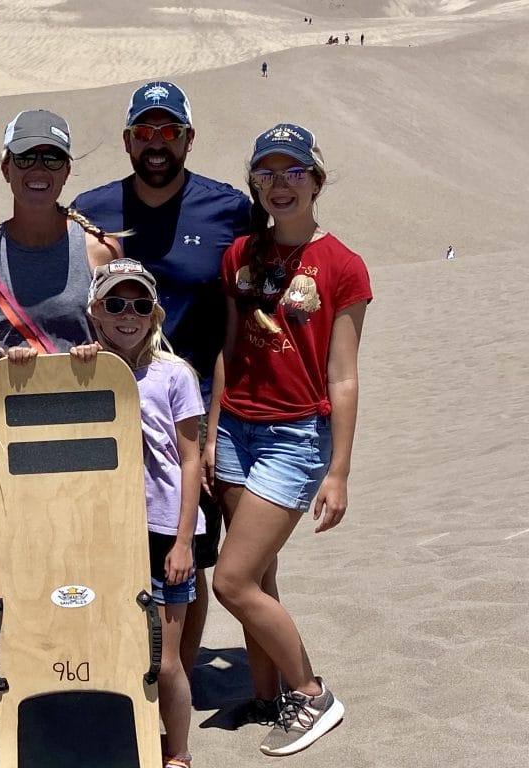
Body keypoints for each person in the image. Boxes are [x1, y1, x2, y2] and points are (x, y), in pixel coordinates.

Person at [72, 80, 251, 695]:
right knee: (108, 547)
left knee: (189, 555)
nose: (156, 144)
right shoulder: (90, 210)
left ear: (188, 139)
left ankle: (176, 674)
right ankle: (117, 669)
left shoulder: (229, 209)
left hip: (191, 413)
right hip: (108, 411)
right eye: (144, 132)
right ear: (127, 141)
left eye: (168, 132)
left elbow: (253, 308)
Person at [204, 124, 372, 755]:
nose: (279, 184)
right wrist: (215, 429)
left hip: (294, 437)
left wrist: (339, 471)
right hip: (237, 432)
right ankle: (268, 694)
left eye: (293, 172)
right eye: (268, 173)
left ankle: (309, 693)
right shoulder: (240, 256)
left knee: (232, 580)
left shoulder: (343, 266)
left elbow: (345, 374)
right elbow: (229, 349)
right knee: (261, 575)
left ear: (316, 180)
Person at [64, 260, 204, 768]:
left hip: (165, 529)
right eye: (116, 304)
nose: (129, 315)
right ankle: (128, 743)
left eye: (140, 305)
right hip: (107, 532)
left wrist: (185, 542)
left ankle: (179, 753)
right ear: (95, 312)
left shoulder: (175, 374)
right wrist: (73, 362)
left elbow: (191, 458)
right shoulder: (84, 366)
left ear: (154, 315)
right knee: (116, 650)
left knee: (165, 660)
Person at [0, 109, 121, 355]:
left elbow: (120, 343)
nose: (39, 168)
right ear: (6, 169)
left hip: (85, 394)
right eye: (25, 157)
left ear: (66, 171)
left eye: (53, 158)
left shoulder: (100, 252)